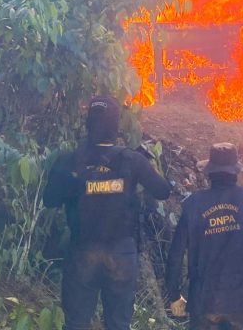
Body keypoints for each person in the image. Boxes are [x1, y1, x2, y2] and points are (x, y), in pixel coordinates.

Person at [43, 95, 172, 330]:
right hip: (121, 252)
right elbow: (163, 191)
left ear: (88, 123)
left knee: (76, 324)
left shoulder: (69, 160)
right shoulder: (132, 160)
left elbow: (49, 200)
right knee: (118, 324)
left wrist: (79, 186)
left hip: (82, 252)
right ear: (116, 125)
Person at [165, 142, 243, 330]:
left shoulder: (193, 204)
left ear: (210, 173)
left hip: (204, 301)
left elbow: (175, 255)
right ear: (236, 172)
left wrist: (174, 295)